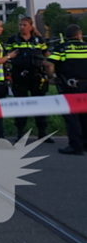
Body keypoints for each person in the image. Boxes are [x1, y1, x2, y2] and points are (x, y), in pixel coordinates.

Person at [5, 16, 53, 143]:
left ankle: (42, 133)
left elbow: (47, 55)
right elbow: (6, 59)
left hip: (37, 76)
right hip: (19, 76)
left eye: (24, 25)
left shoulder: (38, 40)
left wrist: (49, 66)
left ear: (31, 26)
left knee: (40, 105)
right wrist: (7, 75)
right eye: (20, 25)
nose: (22, 27)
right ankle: (20, 133)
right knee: (20, 105)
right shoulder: (13, 39)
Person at [45, 24, 87, 155]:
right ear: (79, 35)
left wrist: (51, 77)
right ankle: (85, 143)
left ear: (67, 36)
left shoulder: (62, 48)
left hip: (70, 87)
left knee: (72, 117)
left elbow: (49, 63)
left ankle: (75, 146)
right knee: (85, 116)